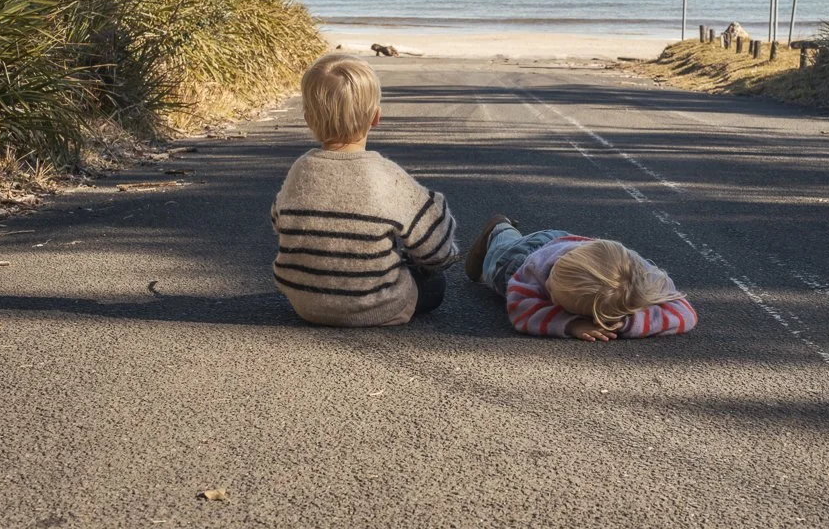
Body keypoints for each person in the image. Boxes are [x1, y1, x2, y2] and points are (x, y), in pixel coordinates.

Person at [271, 53, 458, 326]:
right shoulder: (386, 175)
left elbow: (278, 221)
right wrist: (440, 256)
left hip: (305, 305)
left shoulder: (300, 170)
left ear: (309, 119)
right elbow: (435, 245)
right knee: (434, 284)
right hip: (378, 305)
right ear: (376, 117)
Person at [464, 215, 697, 341]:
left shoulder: (638, 281)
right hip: (522, 255)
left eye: (556, 298)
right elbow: (521, 312)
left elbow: (685, 314)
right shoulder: (534, 274)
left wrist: (622, 322)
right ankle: (499, 228)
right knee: (496, 260)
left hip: (576, 248)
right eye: (551, 289)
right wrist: (571, 324)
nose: (549, 294)